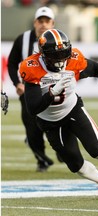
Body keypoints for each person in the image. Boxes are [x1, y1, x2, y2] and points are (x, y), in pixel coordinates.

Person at [19, 29, 98, 200]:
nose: (61, 59)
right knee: (75, 164)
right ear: (44, 55)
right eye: (56, 55)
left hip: (72, 110)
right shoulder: (31, 68)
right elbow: (33, 108)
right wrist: (52, 92)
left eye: (63, 54)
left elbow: (95, 68)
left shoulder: (73, 60)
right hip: (50, 121)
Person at [8, 6, 56, 172]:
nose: (43, 24)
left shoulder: (58, 40)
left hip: (52, 91)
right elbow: (12, 63)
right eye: (40, 21)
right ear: (35, 22)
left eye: (46, 21)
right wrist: (17, 83)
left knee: (58, 123)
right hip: (29, 92)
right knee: (32, 128)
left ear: (52, 23)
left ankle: (63, 152)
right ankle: (41, 160)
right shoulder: (23, 39)